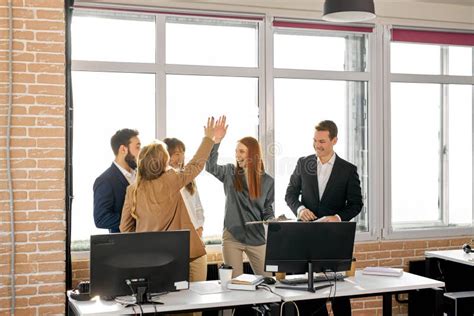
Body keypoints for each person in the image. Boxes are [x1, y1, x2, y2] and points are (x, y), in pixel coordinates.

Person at [120, 117, 217, 285]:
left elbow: (125, 228)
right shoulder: (171, 179)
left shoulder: (132, 190)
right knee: (191, 306)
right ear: (163, 161)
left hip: (151, 260)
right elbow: (196, 165)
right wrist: (208, 138)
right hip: (186, 254)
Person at [285, 119, 363, 316]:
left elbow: (356, 204)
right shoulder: (304, 163)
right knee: (306, 287)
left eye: (322, 141)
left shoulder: (348, 170)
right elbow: (290, 194)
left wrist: (337, 217)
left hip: (335, 237)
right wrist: (300, 209)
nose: (317, 145)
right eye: (315, 140)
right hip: (306, 236)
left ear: (334, 140)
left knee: (339, 290)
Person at [206, 116, 275, 278]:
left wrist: (271, 219)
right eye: (236, 151)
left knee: (268, 281)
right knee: (234, 285)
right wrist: (216, 141)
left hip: (256, 237)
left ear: (253, 154)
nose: (237, 155)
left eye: (241, 151)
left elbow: (267, 209)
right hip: (232, 236)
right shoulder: (230, 173)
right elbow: (210, 166)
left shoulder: (267, 181)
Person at [93, 129, 141, 233]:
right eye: (137, 147)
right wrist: (139, 219)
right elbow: (101, 219)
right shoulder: (105, 180)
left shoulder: (142, 175)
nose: (141, 152)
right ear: (123, 149)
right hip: (124, 245)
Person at [163, 138, 205, 238]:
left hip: (194, 231)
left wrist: (199, 227)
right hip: (175, 233)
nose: (181, 157)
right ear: (166, 155)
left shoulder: (188, 178)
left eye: (182, 153)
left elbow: (197, 205)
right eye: (177, 154)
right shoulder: (162, 180)